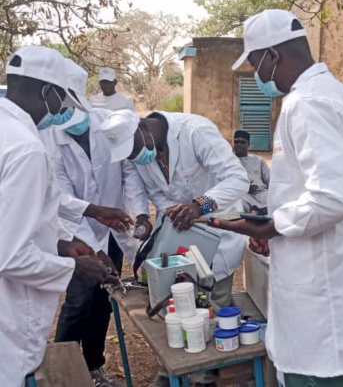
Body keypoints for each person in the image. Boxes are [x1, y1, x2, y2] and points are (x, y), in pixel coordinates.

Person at [209, 9, 343, 387]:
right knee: (321, 367)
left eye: (256, 63)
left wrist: (273, 225)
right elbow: (314, 186)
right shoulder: (333, 92)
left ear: (273, 56)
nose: (256, 75)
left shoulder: (308, 102)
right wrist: (274, 224)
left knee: (317, 372)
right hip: (329, 268)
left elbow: (334, 197)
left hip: (323, 281)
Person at [0, 46, 117, 387]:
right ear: (50, 93)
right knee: (1, 376)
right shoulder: (26, 148)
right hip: (4, 299)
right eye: (65, 102)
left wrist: (66, 243)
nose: (65, 112)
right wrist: (75, 269)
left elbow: (4, 209)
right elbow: (12, 258)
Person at [43, 59, 151, 387]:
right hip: (76, 232)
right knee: (78, 302)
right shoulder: (51, 141)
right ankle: (60, 374)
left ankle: (94, 369)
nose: (65, 118)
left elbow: (130, 171)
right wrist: (92, 229)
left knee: (104, 301)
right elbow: (60, 198)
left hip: (115, 228)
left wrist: (139, 212)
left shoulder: (109, 124)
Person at [95, 110, 248, 310]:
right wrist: (171, 212)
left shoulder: (196, 132)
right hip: (180, 232)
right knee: (180, 301)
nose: (134, 157)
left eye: (134, 149)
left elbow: (238, 179)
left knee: (214, 303)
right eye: (129, 155)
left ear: (142, 127)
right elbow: (155, 192)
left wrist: (199, 206)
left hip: (218, 229)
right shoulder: (140, 152)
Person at [233, 130, 270, 214]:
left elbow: (269, 179)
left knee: (272, 198)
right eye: (236, 142)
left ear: (248, 144)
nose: (239, 144)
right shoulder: (229, 162)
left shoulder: (258, 160)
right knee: (238, 203)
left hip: (260, 193)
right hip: (243, 195)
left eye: (242, 142)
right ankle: (256, 213)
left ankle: (257, 212)